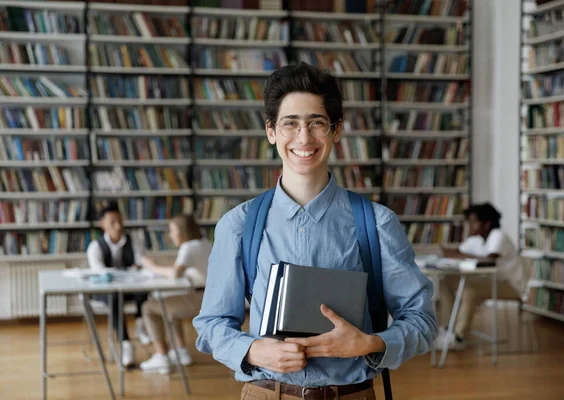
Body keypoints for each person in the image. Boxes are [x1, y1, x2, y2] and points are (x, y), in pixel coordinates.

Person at [193, 63, 437, 400]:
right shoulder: (238, 224)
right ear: (271, 131)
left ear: (336, 130)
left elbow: (422, 320)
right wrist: (252, 351)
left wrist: (370, 343)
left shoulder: (377, 223)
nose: (304, 137)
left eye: (316, 123)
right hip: (266, 393)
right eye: (290, 123)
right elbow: (211, 325)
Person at [437, 202, 527, 350]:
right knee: (446, 281)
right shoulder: (476, 240)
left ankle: (459, 336)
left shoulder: (498, 235)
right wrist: (451, 252)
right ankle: (448, 327)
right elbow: (458, 251)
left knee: (470, 290)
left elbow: (490, 259)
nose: (470, 226)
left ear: (487, 224)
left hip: (510, 285)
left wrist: (460, 254)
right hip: (491, 282)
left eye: (474, 222)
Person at [138, 215, 212, 374]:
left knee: (148, 308)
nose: (170, 235)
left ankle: (161, 356)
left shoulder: (188, 247)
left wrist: (152, 266)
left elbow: (176, 273)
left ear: (182, 231)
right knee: (167, 302)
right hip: (209, 298)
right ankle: (181, 350)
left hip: (199, 301)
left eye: (172, 231)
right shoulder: (206, 244)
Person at [86, 202, 150, 367]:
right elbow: (99, 271)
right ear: (103, 225)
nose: (118, 226)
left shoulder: (133, 240)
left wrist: (135, 268)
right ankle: (125, 343)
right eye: (113, 222)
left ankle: (140, 324)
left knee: (143, 290)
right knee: (114, 298)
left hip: (129, 287)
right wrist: (125, 270)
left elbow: (140, 262)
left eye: (120, 221)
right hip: (105, 290)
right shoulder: (95, 246)